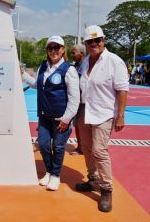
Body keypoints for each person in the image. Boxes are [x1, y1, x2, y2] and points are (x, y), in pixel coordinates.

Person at [75, 25, 129, 212]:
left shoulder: (114, 61)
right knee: (87, 149)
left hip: (104, 114)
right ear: (85, 44)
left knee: (99, 151)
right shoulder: (85, 61)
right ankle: (93, 180)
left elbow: (122, 90)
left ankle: (106, 189)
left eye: (97, 40)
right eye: (90, 41)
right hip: (84, 112)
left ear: (103, 40)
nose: (94, 44)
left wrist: (120, 116)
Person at [21, 36, 80, 191]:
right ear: (47, 50)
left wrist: (66, 119)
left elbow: (75, 99)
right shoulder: (43, 67)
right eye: (50, 48)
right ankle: (49, 171)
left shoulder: (69, 69)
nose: (54, 51)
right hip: (44, 115)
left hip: (61, 117)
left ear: (63, 50)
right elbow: (37, 85)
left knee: (59, 147)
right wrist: (23, 74)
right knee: (44, 144)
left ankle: (55, 175)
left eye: (57, 47)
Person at [69, 44, 86, 155]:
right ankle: (80, 147)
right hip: (76, 100)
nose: (72, 55)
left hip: (83, 101)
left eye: (74, 52)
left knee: (82, 126)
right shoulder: (76, 65)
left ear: (82, 54)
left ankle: (83, 148)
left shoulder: (85, 65)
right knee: (77, 125)